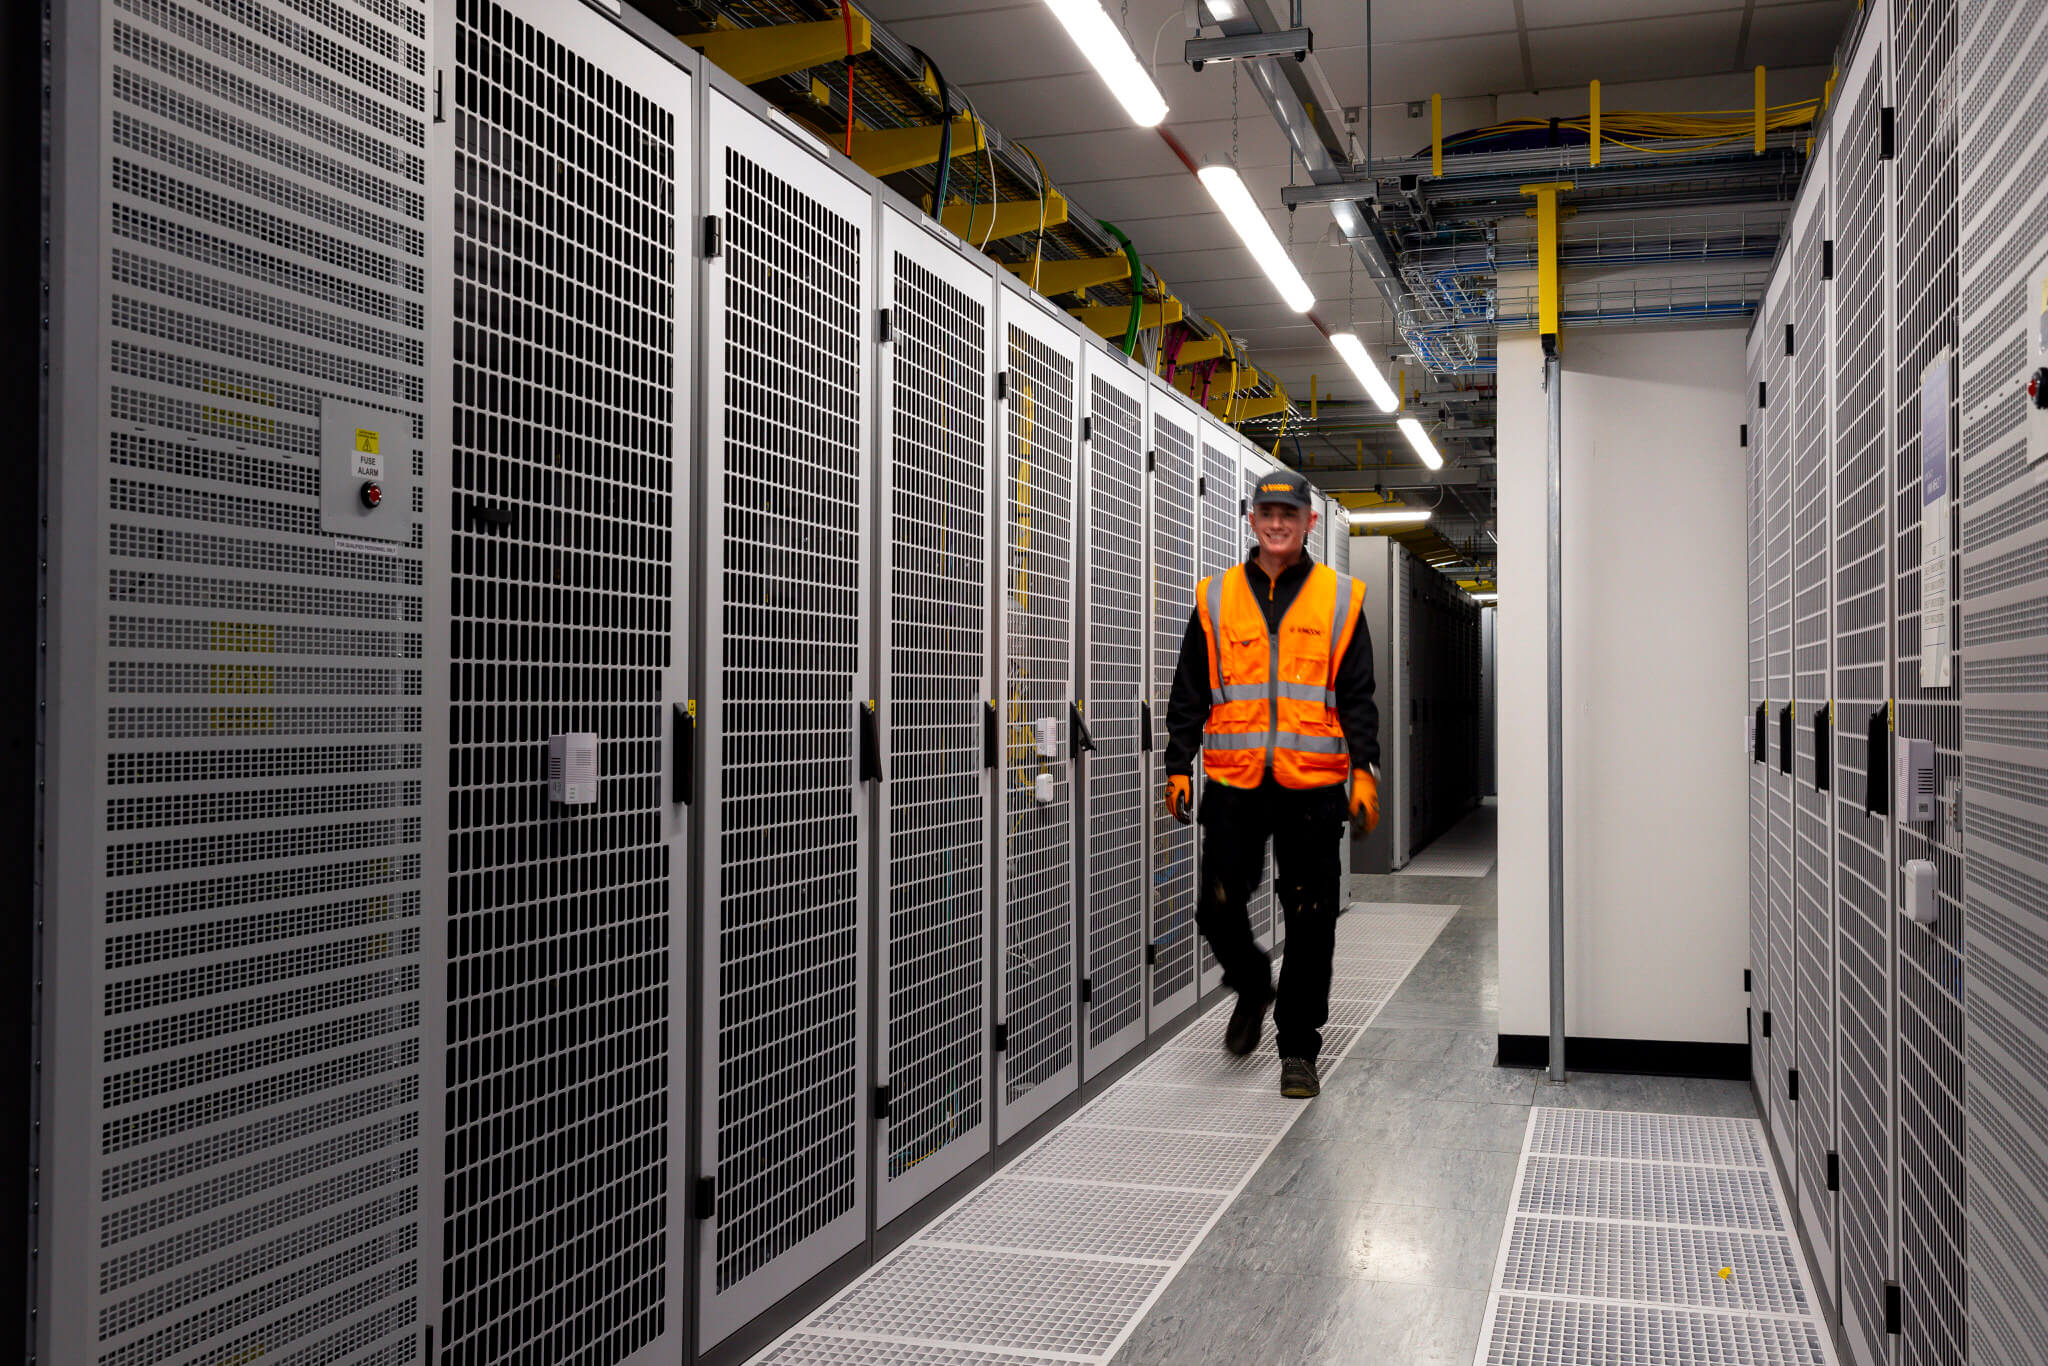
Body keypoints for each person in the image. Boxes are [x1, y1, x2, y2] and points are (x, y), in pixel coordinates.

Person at [1162, 468, 1380, 1099]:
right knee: (1216, 907)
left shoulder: (1340, 599)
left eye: (1290, 514)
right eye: (1266, 513)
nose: (1278, 523)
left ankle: (1298, 1049)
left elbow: (1358, 696)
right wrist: (1179, 764)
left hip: (1311, 784)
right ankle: (1255, 982)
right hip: (1235, 781)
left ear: (1311, 522)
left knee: (1311, 919)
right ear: (1251, 519)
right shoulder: (1216, 597)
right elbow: (1189, 693)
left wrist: (1364, 772)